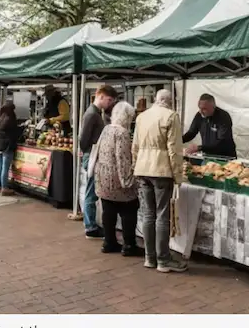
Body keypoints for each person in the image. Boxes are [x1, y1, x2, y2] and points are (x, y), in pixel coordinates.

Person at [132, 89, 187, 273]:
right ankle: (163, 260)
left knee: (148, 214)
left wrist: (136, 166)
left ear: (156, 99)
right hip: (161, 170)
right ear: (170, 101)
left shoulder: (142, 117)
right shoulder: (171, 116)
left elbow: (135, 146)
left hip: (143, 169)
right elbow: (174, 150)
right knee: (162, 215)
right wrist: (178, 175)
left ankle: (150, 257)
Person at [95, 100, 141, 256]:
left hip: (104, 178)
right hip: (117, 180)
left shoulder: (107, 128)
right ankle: (129, 245)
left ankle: (109, 242)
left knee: (108, 211)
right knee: (129, 210)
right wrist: (128, 181)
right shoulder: (122, 133)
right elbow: (123, 159)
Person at [79, 84, 118, 239]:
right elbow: (83, 139)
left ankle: (91, 224)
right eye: (109, 100)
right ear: (100, 96)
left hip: (92, 154)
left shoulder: (95, 113)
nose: (110, 103)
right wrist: (88, 152)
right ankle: (90, 227)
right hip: (92, 155)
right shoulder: (92, 114)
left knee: (92, 190)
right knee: (91, 191)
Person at [182, 94, 236, 158]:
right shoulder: (199, 115)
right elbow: (191, 133)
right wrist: (177, 140)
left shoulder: (223, 117)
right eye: (199, 108)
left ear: (213, 106)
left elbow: (222, 142)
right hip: (208, 155)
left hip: (224, 156)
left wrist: (199, 148)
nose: (201, 112)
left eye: (204, 109)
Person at [0, 102, 20, 196]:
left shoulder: (0, 119)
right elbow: (15, 132)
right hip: (7, 146)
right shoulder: (11, 119)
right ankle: (4, 188)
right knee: (5, 167)